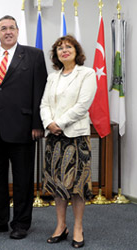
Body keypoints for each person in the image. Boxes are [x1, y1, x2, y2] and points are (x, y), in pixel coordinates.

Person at [0, 15, 47, 239]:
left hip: (24, 127)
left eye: (11, 28)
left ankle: (21, 223)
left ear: (17, 31)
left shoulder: (34, 55)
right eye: (3, 28)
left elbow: (40, 90)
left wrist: (37, 123)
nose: (8, 31)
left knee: (22, 178)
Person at [40, 35, 97, 248]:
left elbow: (83, 105)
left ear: (76, 51)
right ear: (56, 55)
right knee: (58, 185)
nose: (64, 50)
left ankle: (78, 228)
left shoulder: (87, 74)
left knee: (77, 186)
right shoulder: (52, 77)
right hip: (54, 138)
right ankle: (61, 225)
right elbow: (44, 103)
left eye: (68, 47)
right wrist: (48, 123)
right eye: (60, 48)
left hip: (76, 138)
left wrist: (60, 123)